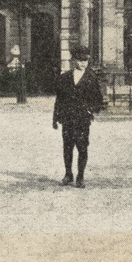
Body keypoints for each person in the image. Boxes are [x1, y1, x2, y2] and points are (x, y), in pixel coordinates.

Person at [52, 44, 105, 188]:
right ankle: (68, 174)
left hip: (82, 119)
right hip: (67, 118)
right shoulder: (65, 77)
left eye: (86, 60)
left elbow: (98, 99)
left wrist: (90, 110)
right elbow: (59, 99)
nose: (83, 63)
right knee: (67, 147)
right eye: (80, 60)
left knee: (82, 147)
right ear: (73, 60)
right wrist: (55, 118)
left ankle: (80, 176)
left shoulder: (91, 78)